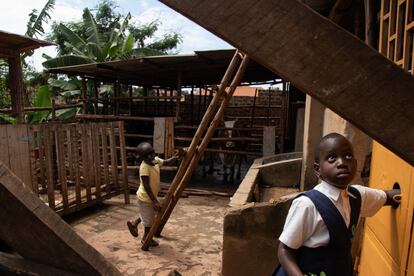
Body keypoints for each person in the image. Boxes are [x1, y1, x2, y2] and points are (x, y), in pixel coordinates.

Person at [275, 133, 401, 276]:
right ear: (318, 170)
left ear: (355, 163)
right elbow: (285, 250)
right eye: (332, 158)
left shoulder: (358, 197)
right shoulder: (307, 205)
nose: (342, 162)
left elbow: (388, 197)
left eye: (348, 156)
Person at [127, 142, 183, 247]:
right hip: (145, 197)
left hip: (150, 196)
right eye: (149, 155)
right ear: (143, 158)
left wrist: (175, 157)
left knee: (148, 214)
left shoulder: (155, 160)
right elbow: (146, 186)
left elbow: (166, 162)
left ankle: (134, 223)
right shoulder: (144, 167)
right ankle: (146, 239)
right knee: (149, 221)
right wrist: (155, 201)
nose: (152, 156)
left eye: (153, 152)